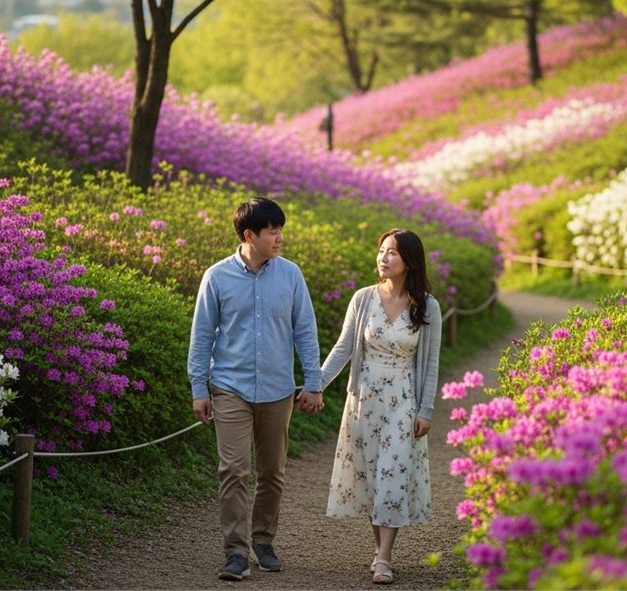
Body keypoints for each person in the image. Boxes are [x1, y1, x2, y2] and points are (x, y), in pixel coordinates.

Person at [187, 196, 325, 581]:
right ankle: (235, 551)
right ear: (250, 235)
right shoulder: (216, 276)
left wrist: (313, 383)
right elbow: (201, 337)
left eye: (281, 230)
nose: (279, 237)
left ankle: (263, 541)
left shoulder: (291, 275)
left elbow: (305, 331)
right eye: (272, 231)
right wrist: (200, 388)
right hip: (229, 386)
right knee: (233, 469)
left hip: (278, 389)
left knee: (272, 472)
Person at [317, 228, 441, 585]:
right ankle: (379, 551)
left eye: (393, 253)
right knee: (374, 478)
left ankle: (384, 556)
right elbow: (343, 349)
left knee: (393, 475)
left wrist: (425, 410)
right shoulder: (363, 299)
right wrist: (315, 384)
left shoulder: (427, 306)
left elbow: (430, 362)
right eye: (382, 251)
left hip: (403, 399)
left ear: (410, 262)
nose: (383, 259)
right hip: (364, 400)